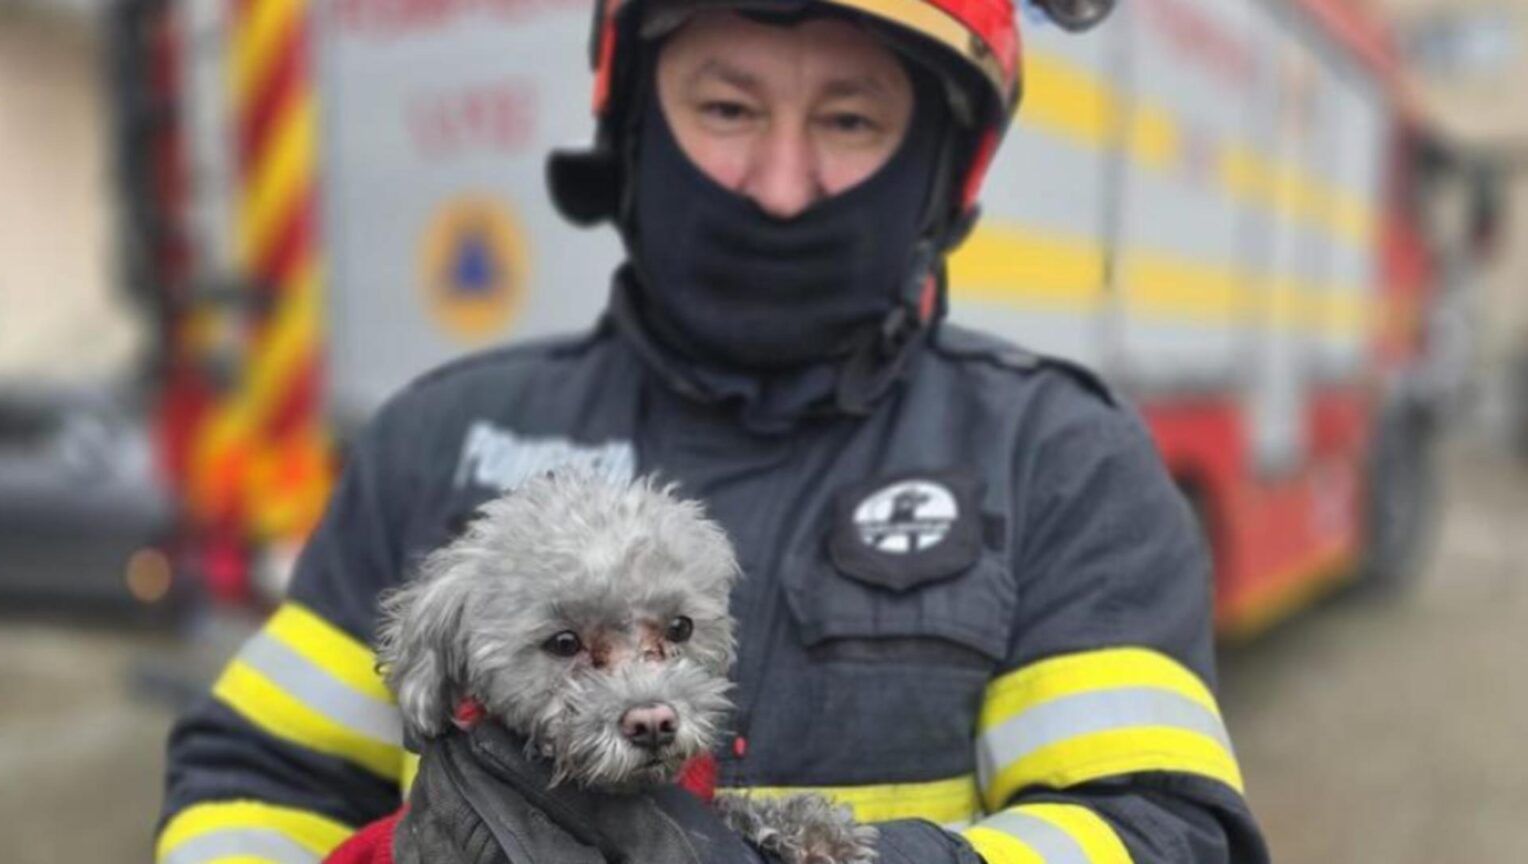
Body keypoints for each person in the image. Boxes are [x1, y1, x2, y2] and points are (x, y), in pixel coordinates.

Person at [157, 0, 1270, 861]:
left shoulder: (1062, 462)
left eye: (849, 120)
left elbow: (1158, 832)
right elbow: (258, 780)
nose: (781, 187)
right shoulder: (436, 438)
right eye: (727, 108)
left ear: (940, 172)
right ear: (633, 125)